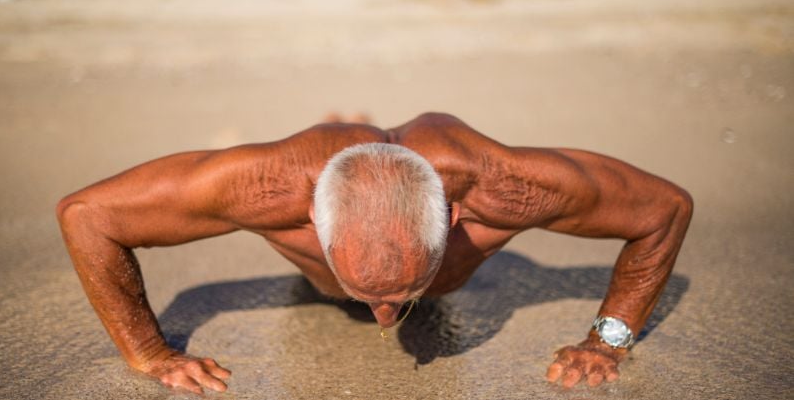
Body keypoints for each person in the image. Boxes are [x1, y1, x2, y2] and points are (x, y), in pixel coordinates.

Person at [56, 112, 692, 394]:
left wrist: (607, 340)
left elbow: (664, 209)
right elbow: (87, 217)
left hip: (445, 163)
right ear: (310, 219)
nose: (386, 322)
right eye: (371, 298)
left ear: (452, 215)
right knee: (343, 132)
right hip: (320, 168)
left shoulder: (508, 187)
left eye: (405, 297)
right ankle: (343, 120)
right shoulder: (262, 186)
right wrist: (148, 353)